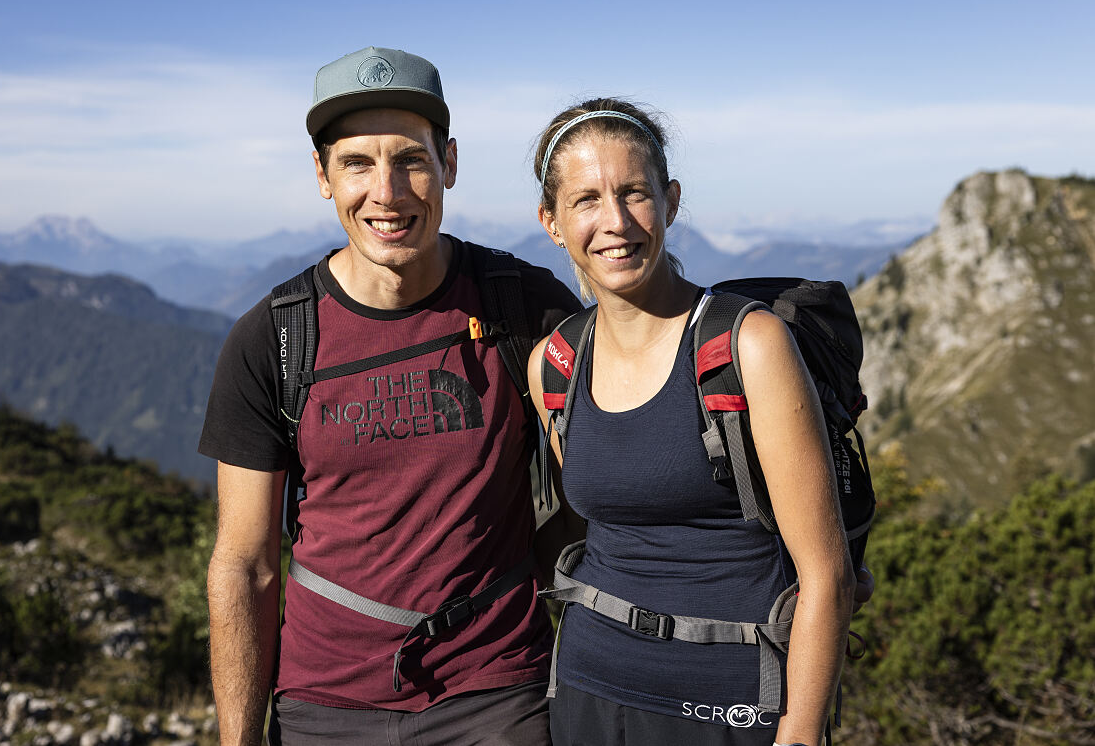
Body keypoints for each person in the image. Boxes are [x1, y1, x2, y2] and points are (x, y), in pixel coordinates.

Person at [200, 47, 583, 746]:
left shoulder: (523, 307)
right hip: (323, 702)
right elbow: (245, 563)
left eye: (410, 159)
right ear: (322, 176)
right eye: (356, 164)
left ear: (450, 165)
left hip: (496, 693)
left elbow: (597, 490)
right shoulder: (273, 339)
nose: (387, 191)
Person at [525, 98, 857, 746]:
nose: (615, 222)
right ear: (552, 222)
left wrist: (800, 732)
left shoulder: (746, 346)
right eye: (587, 199)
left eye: (633, 194)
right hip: (589, 689)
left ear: (670, 201)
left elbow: (827, 573)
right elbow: (594, 521)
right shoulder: (554, 366)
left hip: (733, 697)